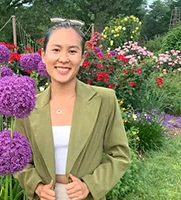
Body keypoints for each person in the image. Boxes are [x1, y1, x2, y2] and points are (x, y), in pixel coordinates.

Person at [14, 20, 131, 200]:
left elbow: (119, 155)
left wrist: (90, 185)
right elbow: (18, 157)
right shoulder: (28, 106)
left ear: (82, 58)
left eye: (72, 51)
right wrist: (36, 186)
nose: (64, 58)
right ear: (43, 55)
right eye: (56, 49)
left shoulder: (104, 100)